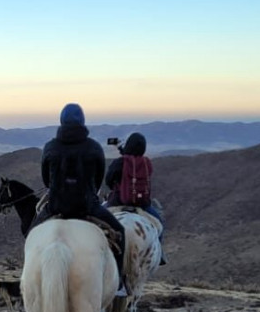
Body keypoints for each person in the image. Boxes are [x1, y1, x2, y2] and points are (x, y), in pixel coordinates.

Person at [30, 103, 129, 296]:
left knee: (31, 235)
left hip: (56, 207)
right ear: (82, 121)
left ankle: (28, 281)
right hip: (88, 207)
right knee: (120, 231)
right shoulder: (93, 147)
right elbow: (99, 178)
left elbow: (46, 179)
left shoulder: (50, 146)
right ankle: (119, 283)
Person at [105, 132, 167, 265]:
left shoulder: (119, 163)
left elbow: (109, 180)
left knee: (97, 220)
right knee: (160, 224)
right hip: (142, 205)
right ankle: (160, 253)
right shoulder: (146, 164)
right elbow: (135, 165)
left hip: (117, 201)